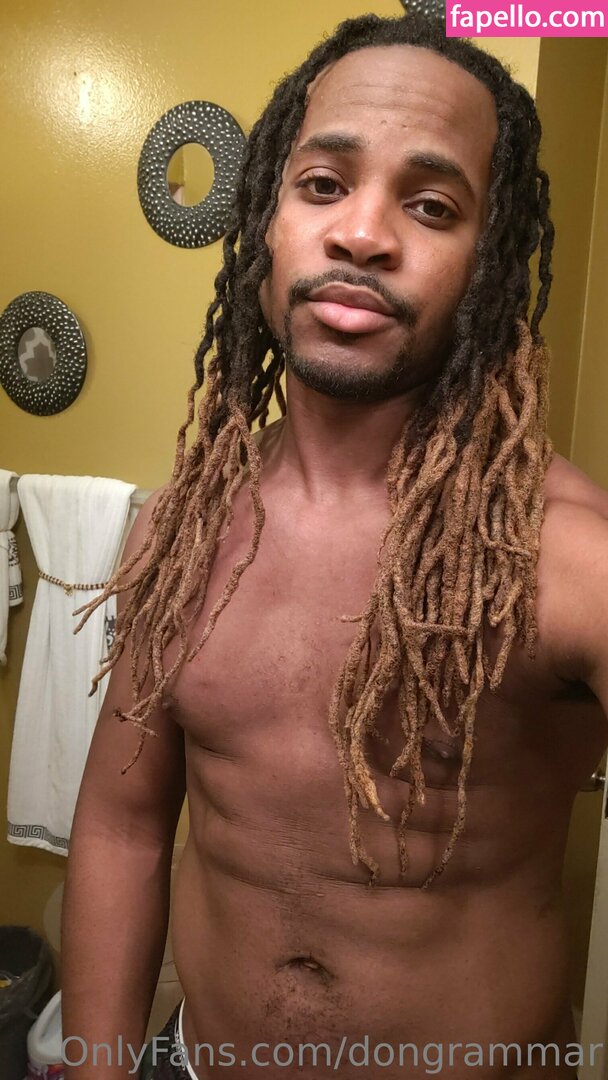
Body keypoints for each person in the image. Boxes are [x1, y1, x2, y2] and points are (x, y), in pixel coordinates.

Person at [61, 12, 608, 1080]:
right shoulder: (182, 530)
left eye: (431, 204)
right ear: (264, 225)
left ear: (490, 267)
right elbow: (124, 829)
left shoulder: (567, 561)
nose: (361, 234)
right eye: (322, 184)